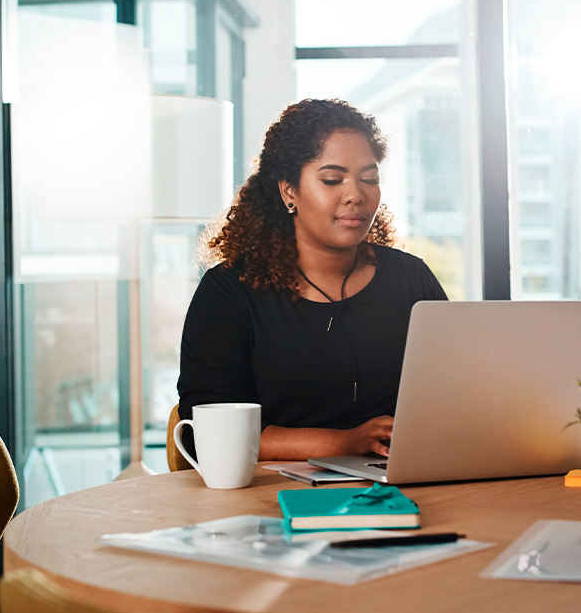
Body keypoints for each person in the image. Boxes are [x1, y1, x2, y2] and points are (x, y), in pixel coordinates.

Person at [177, 99, 448, 461]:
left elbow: (456, 395)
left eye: (369, 179)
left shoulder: (411, 279)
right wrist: (344, 443)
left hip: (397, 485)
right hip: (269, 495)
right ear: (289, 191)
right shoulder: (229, 293)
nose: (356, 195)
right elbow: (206, 430)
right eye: (332, 179)